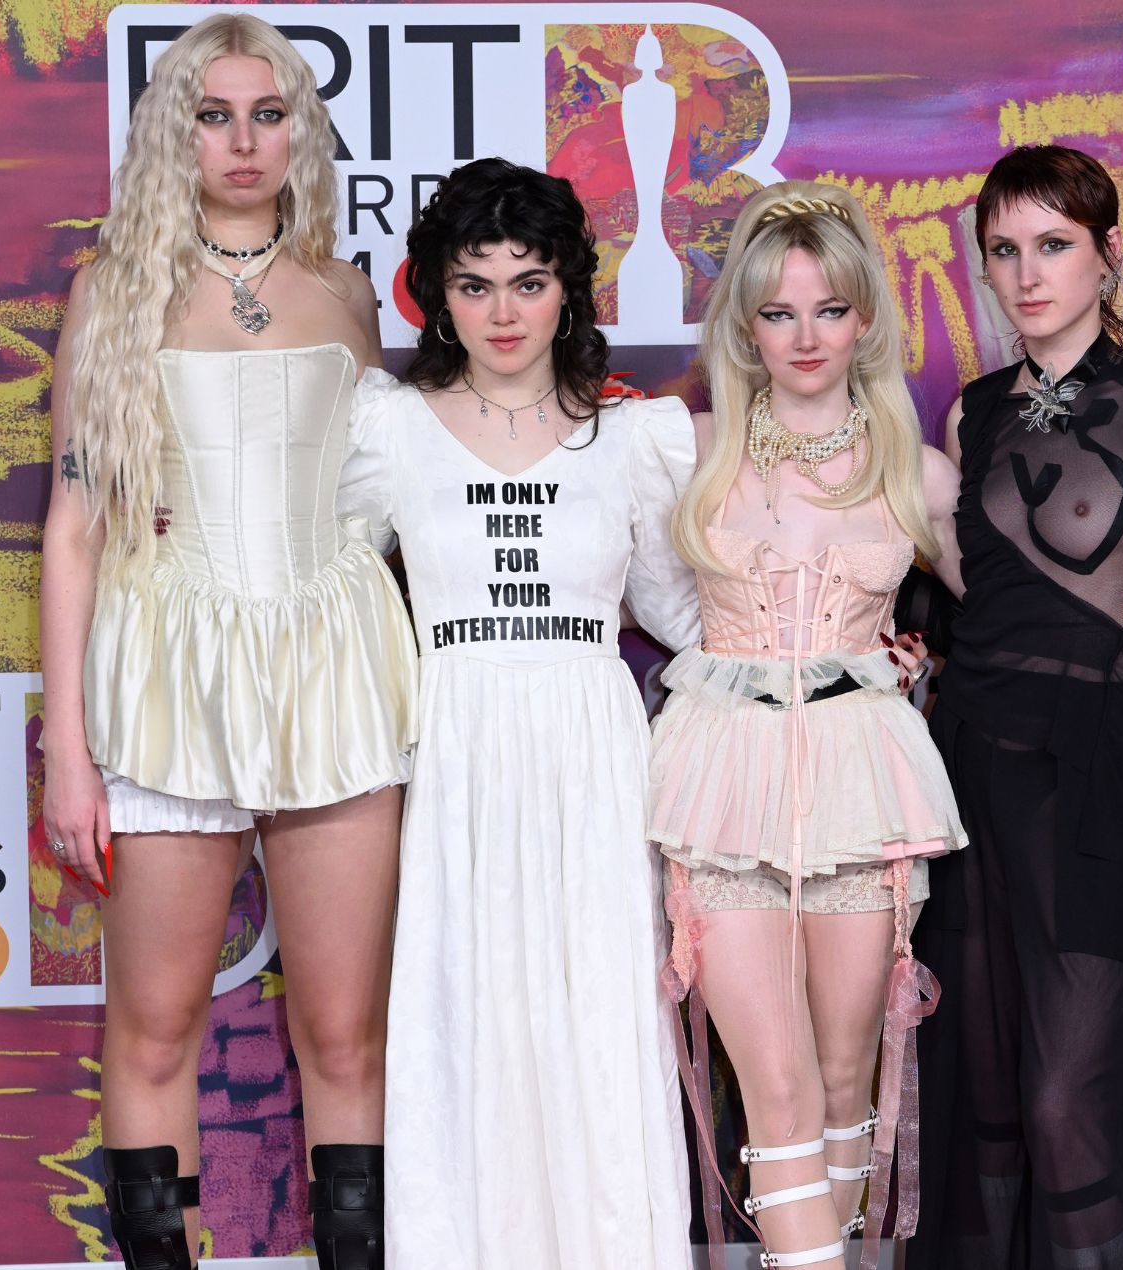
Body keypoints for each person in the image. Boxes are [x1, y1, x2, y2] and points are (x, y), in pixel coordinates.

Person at [39, 14, 413, 1270]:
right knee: (151, 1027)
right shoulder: (114, 290)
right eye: (215, 115)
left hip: (335, 674)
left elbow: (379, 499)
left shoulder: (346, 290)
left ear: (300, 129)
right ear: (174, 133)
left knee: (347, 1034)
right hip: (166, 679)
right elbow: (77, 528)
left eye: (269, 114)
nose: (244, 142)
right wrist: (69, 754)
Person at [343, 157, 695, 1270]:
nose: (503, 310)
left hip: (594, 759)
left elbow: (683, 615)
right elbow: (323, 591)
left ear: (569, 292)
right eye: (476, 282)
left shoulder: (633, 438)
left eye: (529, 281)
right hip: (455, 755)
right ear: (435, 295)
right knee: (467, 1024)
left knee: (599, 1023)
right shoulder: (387, 429)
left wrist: (830, 628)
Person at [907, 144, 1123, 1270]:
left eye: (1052, 245)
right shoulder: (972, 415)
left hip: (1100, 776)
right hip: (969, 774)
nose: (1025, 273)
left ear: (1105, 255)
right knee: (984, 1102)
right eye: (1002, 250)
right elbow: (962, 607)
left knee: (1060, 1101)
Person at [647, 180, 966, 1270]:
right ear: (742, 323)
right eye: (777, 313)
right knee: (772, 1084)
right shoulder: (685, 451)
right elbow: (633, 586)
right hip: (721, 777)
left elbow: (1015, 618)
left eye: (827, 309)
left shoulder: (918, 473)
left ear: (864, 315)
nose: (804, 336)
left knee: (841, 1080)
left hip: (862, 781)